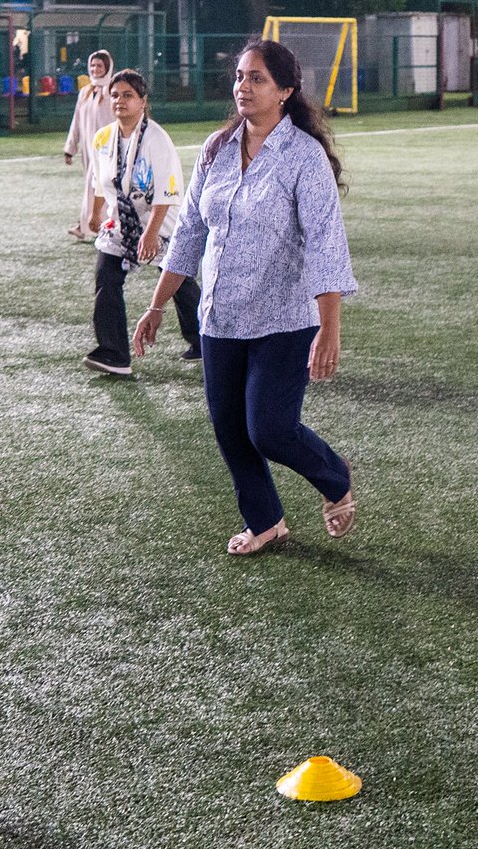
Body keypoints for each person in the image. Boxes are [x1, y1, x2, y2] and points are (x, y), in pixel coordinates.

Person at [133, 39, 357, 555]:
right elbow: (189, 232)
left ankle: (334, 475)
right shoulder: (216, 149)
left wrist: (330, 327)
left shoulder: (304, 157)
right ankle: (265, 521)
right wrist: (157, 305)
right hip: (220, 316)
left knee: (270, 429)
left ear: (285, 90)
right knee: (230, 428)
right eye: (239, 76)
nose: (243, 86)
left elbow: (325, 244)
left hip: (285, 318)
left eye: (257, 78)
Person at [83, 68, 201, 377]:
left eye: (128, 95)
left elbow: (166, 192)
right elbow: (100, 182)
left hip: (159, 221)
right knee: (106, 276)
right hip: (121, 221)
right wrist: (95, 213)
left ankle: (203, 338)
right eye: (115, 96)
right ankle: (114, 354)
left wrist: (150, 234)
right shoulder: (103, 138)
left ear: (143, 101)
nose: (119, 101)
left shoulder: (157, 139)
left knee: (178, 281)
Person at [63, 50, 114, 240]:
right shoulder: (85, 92)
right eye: (92, 65)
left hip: (106, 149)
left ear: (107, 67)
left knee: (98, 186)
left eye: (99, 65)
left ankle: (87, 225)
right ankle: (92, 224)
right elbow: (76, 121)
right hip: (88, 150)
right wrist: (70, 148)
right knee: (93, 186)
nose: (95, 69)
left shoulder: (112, 91)